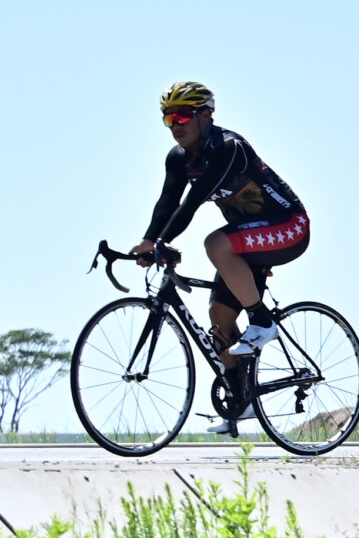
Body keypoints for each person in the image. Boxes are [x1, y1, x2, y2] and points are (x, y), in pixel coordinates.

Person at [130, 81, 310, 433]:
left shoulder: (230, 148)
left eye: (182, 115)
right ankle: (240, 404)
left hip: (290, 226)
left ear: (206, 115)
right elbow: (168, 202)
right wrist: (149, 240)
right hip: (249, 238)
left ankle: (262, 320)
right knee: (220, 319)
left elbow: (193, 202)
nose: (175, 124)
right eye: (168, 118)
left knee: (215, 243)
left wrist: (161, 241)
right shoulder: (179, 159)